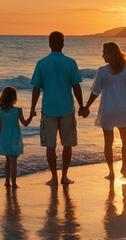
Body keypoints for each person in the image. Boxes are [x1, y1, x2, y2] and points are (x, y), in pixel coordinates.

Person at [27, 31, 85, 186]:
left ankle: (53, 177)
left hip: (48, 109)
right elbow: (76, 87)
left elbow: (36, 88)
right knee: (68, 144)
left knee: (50, 145)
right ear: (63, 44)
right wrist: (82, 106)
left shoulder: (42, 63)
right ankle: (64, 176)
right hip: (67, 108)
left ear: (49, 44)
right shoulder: (70, 62)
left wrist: (32, 108)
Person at [82, 41, 126, 180]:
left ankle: (111, 172)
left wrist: (86, 107)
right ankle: (124, 168)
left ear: (110, 54)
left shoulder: (102, 71)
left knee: (108, 141)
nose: (102, 55)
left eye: (104, 52)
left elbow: (95, 92)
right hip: (123, 109)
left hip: (107, 109)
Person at [0, 86, 29, 188]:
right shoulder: (18, 110)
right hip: (14, 138)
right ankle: (13, 183)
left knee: (7, 161)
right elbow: (25, 123)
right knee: (13, 162)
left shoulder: (0, 112)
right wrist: (31, 115)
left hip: (4, 138)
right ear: (14, 97)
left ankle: (7, 182)